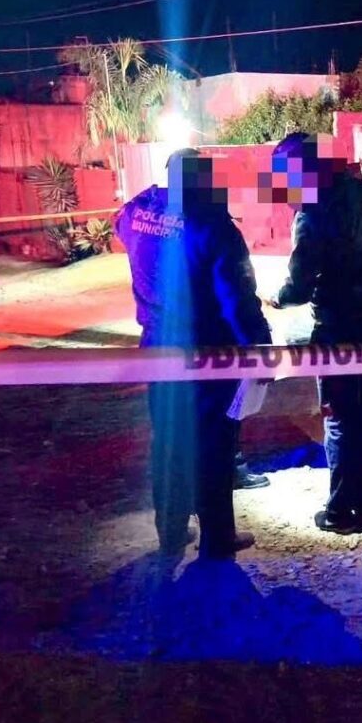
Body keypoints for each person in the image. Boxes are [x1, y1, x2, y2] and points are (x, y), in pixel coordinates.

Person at [115, 148, 272, 559]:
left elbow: (122, 224)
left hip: (156, 348)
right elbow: (238, 301)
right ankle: (217, 539)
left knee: (168, 441)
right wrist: (260, 350)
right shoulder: (214, 226)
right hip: (207, 354)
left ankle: (170, 532)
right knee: (212, 445)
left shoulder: (137, 211)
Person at [265, 133, 362, 535]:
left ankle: (340, 510)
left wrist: (276, 298)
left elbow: (299, 285)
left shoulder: (312, 212)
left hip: (338, 325)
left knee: (339, 417)